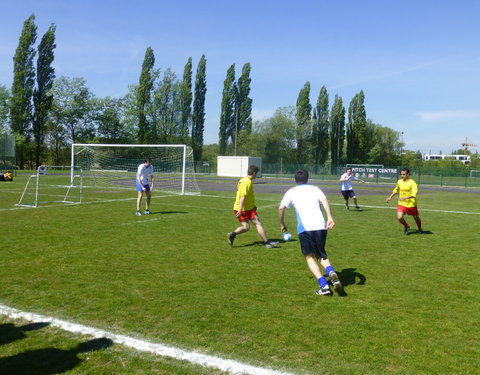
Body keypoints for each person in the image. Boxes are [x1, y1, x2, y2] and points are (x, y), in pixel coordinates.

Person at [278, 169, 343, 296]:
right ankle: (331, 272)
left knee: (309, 257)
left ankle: (324, 286)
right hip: (320, 225)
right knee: (321, 254)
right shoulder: (315, 188)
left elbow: (281, 207)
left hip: (305, 228)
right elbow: (324, 200)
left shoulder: (291, 191)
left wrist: (282, 223)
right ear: (307, 178)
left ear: (295, 179)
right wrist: (330, 217)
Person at [227, 165, 279, 249]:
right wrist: (240, 210)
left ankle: (232, 234)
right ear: (254, 173)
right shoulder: (247, 182)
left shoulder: (242, 180)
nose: (257, 175)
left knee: (246, 227)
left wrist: (252, 205)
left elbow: (245, 195)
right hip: (244, 209)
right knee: (258, 223)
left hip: (245, 207)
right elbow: (242, 196)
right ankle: (268, 243)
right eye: (256, 173)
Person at [386, 168, 424, 235]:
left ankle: (420, 229)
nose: (402, 176)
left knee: (416, 218)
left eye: (404, 174)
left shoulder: (412, 182)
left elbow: (414, 194)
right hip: (402, 203)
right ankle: (406, 226)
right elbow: (396, 190)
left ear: (408, 174)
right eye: (401, 174)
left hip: (411, 204)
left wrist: (405, 197)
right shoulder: (399, 181)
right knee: (399, 217)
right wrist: (390, 197)